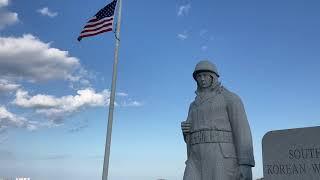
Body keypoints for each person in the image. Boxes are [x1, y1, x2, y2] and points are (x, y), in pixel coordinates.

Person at [181, 60, 255, 180]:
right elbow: (189, 136)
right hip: (195, 157)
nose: (202, 79)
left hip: (221, 155)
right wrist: (186, 132)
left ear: (213, 77)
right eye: (199, 76)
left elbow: (242, 131)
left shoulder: (229, 98)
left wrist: (245, 163)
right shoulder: (193, 105)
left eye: (205, 75)